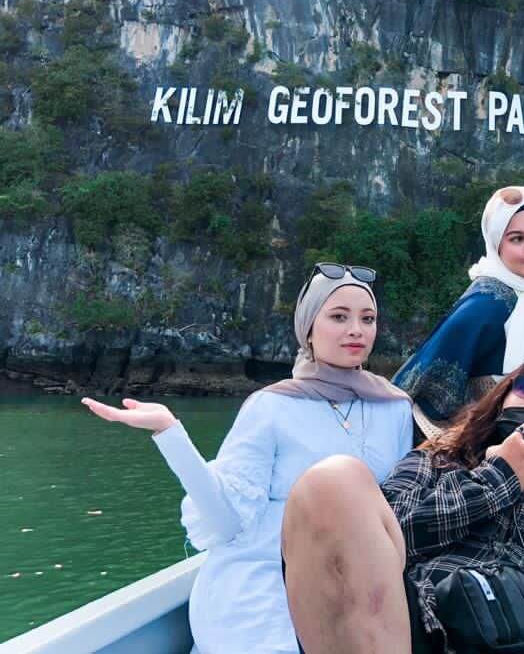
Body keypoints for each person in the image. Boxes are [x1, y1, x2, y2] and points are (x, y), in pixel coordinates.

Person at [81, 264, 412, 654]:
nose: (356, 329)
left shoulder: (395, 407)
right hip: (259, 583)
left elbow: (398, 510)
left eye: (367, 318)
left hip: (354, 584)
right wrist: (170, 434)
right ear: (308, 327)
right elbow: (225, 523)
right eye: (339, 316)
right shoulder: (271, 406)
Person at [282, 357, 524, 654]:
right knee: (333, 480)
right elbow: (371, 549)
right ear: (501, 403)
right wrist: (497, 480)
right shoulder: (434, 464)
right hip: (410, 635)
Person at [393, 183, 524, 439]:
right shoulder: (490, 303)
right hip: (475, 457)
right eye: (517, 238)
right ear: (496, 244)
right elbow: (419, 386)